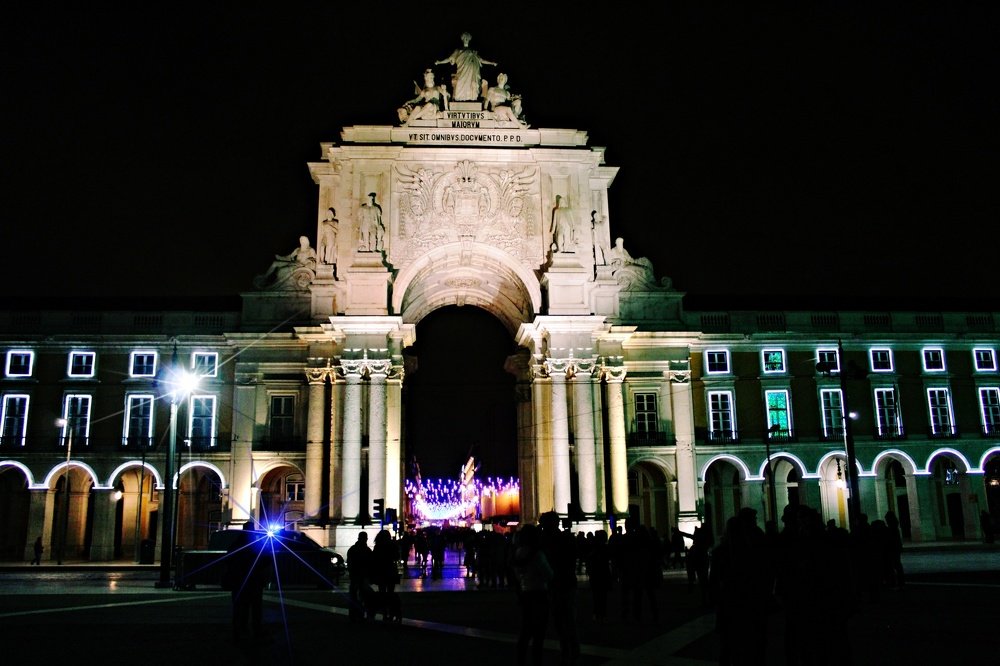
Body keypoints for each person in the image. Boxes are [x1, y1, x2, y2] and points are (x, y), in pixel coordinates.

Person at [512, 523, 552, 666]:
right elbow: (549, 574)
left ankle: (520, 660)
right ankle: (537, 661)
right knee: (539, 634)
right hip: (539, 593)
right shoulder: (538, 554)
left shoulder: (518, 552)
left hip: (525, 593)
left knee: (525, 631)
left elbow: (516, 574)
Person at [226, 523, 269, 639]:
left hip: (238, 581)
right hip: (253, 581)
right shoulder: (256, 545)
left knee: (239, 609)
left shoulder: (235, 544)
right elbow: (266, 560)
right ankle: (256, 632)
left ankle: (238, 632)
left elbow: (228, 561)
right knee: (255, 609)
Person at [435, 32, 496, 102]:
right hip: (462, 71)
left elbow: (481, 60)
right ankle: (459, 98)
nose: (466, 39)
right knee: (460, 83)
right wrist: (440, 62)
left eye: (467, 38)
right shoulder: (458, 50)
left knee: (472, 84)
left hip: (471, 71)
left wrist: (491, 63)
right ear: (462, 39)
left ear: (469, 39)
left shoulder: (473, 51)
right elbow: (449, 59)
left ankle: (472, 98)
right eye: (464, 37)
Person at [346, 531, 373, 622]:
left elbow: (350, 563)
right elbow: (370, 563)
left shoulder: (352, 549)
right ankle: (360, 613)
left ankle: (353, 614)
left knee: (354, 595)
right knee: (363, 596)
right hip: (363, 575)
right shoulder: (367, 550)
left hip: (355, 575)